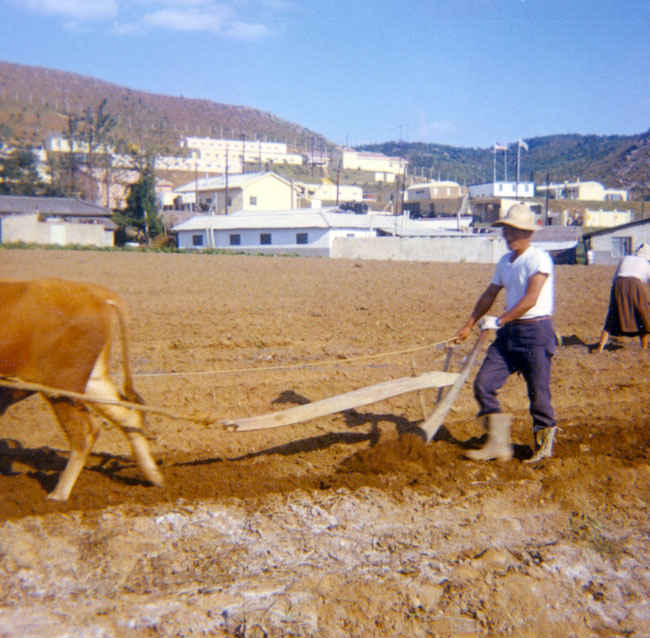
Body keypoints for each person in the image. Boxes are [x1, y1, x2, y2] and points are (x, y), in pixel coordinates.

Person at [455, 203, 557, 463]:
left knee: (538, 393)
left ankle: (543, 448)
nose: (508, 236)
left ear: (528, 233)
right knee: (483, 384)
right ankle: (498, 444)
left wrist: (499, 321)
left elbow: (531, 298)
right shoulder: (504, 262)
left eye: (514, 231)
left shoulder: (539, 259)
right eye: (506, 231)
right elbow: (490, 294)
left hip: (535, 332)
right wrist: (469, 324)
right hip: (509, 335)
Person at [596, 243, 650, 352]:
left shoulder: (625, 258)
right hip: (635, 284)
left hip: (618, 284)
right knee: (642, 315)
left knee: (612, 316)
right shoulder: (646, 264)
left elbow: (615, 276)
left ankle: (600, 347)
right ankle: (644, 347)